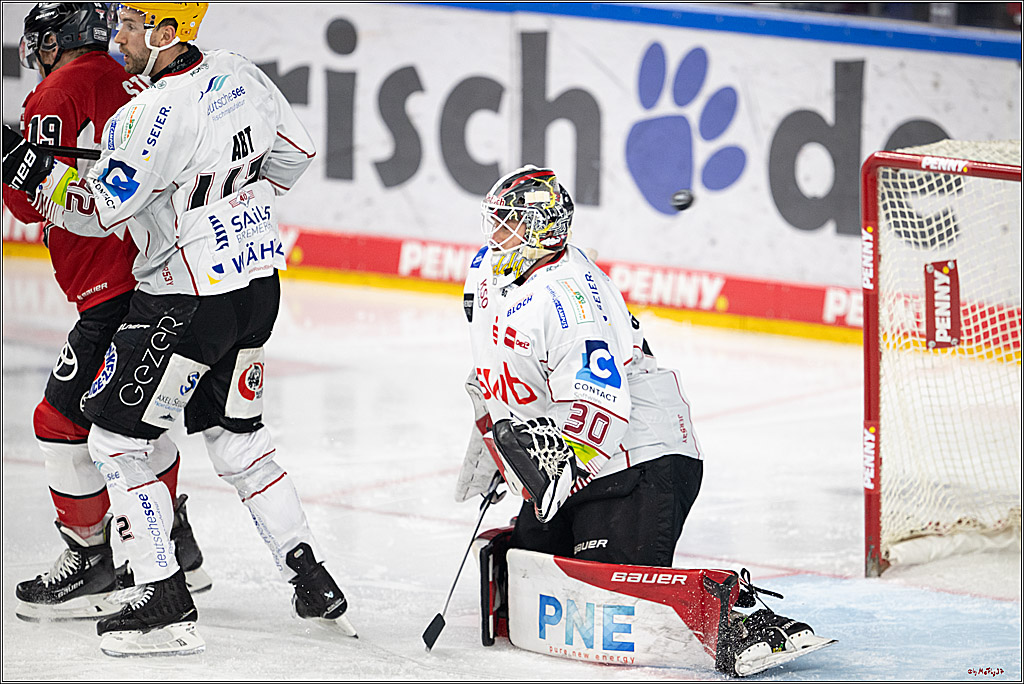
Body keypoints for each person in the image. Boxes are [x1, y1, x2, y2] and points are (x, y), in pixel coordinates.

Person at [3, 1, 353, 656]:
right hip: (258, 288)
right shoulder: (241, 73)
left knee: (113, 438)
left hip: (189, 298)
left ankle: (163, 599)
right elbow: (294, 160)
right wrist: (221, 186)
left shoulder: (148, 113)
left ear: (168, 33)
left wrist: (43, 173)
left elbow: (104, 209)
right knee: (237, 437)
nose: (120, 36)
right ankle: (309, 575)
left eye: (133, 25)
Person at [455, 165, 824, 672]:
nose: (495, 235)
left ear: (543, 228)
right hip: (573, 449)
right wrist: (495, 439)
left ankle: (741, 613)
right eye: (493, 222)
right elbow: (491, 362)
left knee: (608, 604)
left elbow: (602, 403)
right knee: (538, 569)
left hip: (638, 454)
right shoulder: (487, 268)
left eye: (509, 223)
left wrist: (551, 465)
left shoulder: (572, 303)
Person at [2, 1, 210, 624]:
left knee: (60, 423)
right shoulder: (139, 82)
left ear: (55, 41)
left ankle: (92, 555)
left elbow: (25, 204)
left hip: (109, 287)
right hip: (162, 275)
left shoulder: (57, 93)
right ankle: (176, 543)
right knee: (140, 422)